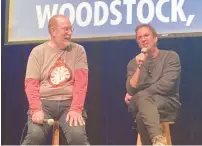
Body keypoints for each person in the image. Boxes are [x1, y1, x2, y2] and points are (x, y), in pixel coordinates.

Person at [22, 14, 89, 145]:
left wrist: (76, 108)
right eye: (65, 29)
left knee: (78, 137)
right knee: (35, 136)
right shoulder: (38, 52)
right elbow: (31, 83)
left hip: (69, 104)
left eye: (71, 29)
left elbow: (81, 82)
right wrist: (36, 109)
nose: (69, 33)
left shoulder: (78, 50)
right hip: (44, 103)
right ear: (53, 31)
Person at [125, 24, 181, 145]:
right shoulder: (133, 63)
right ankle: (158, 141)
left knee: (141, 116)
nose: (143, 39)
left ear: (155, 38)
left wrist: (140, 95)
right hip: (140, 104)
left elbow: (166, 85)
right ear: (137, 42)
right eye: (140, 37)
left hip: (166, 102)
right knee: (142, 102)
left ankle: (157, 140)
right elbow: (130, 89)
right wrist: (139, 66)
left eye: (146, 35)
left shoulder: (170, 57)